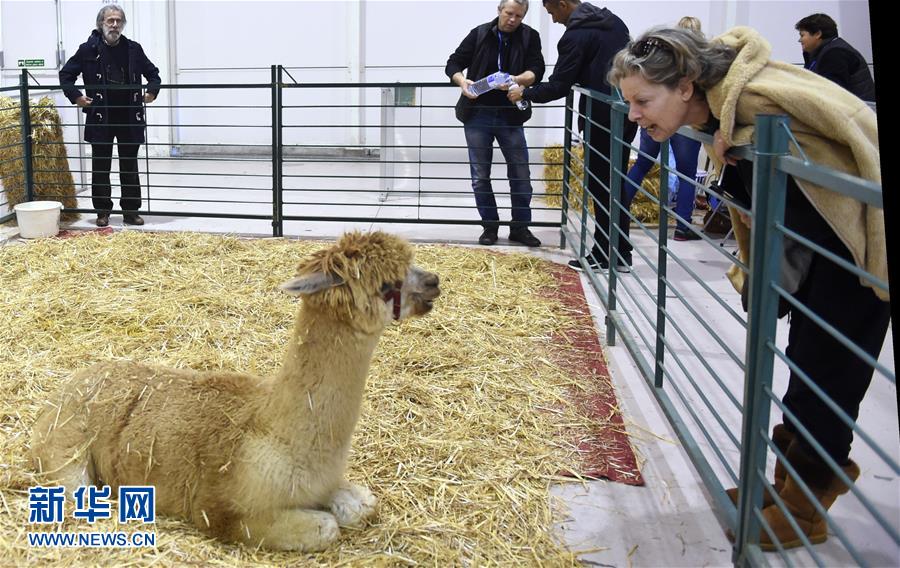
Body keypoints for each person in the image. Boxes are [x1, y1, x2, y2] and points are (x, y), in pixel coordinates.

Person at [608, 26, 888, 550]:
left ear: (686, 87)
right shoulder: (729, 113)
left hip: (849, 253)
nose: (635, 115)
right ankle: (787, 488)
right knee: (808, 368)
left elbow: (845, 139)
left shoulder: (757, 103)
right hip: (815, 251)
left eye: (644, 101)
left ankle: (806, 511)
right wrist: (735, 151)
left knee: (830, 375)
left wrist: (744, 146)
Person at [509, 0, 638, 272]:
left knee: (601, 185)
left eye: (553, 12)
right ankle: (621, 252)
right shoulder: (613, 21)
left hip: (601, 117)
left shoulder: (576, 35)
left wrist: (525, 92)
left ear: (565, 4)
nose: (554, 19)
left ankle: (605, 255)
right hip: (627, 111)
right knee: (615, 183)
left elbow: (558, 85)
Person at [445, 0, 545, 247]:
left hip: (511, 114)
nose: (512, 19)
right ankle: (489, 226)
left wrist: (518, 79)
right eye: (509, 13)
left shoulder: (530, 36)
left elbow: (537, 69)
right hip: (477, 113)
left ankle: (520, 228)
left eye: (518, 16)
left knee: (521, 173)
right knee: (480, 175)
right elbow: (453, 63)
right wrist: (462, 82)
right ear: (499, 11)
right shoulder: (479, 33)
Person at [60, 4, 160, 227]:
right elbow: (66, 75)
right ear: (101, 24)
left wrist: (152, 91)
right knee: (101, 166)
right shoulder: (87, 49)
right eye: (110, 21)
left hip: (128, 116)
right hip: (100, 117)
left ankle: (131, 211)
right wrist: (76, 96)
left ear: (123, 24)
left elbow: (153, 74)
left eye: (118, 21)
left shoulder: (134, 49)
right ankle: (102, 211)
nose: (114, 25)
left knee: (129, 165)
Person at [623, 16, 704, 242]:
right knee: (687, 173)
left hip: (656, 116)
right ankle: (682, 227)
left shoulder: (663, 59)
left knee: (642, 163)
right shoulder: (700, 62)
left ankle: (620, 211)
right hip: (686, 122)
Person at [795, 13, 875, 102]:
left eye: (802, 35)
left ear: (818, 34)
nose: (799, 40)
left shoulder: (835, 54)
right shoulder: (824, 51)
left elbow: (832, 95)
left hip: (857, 112)